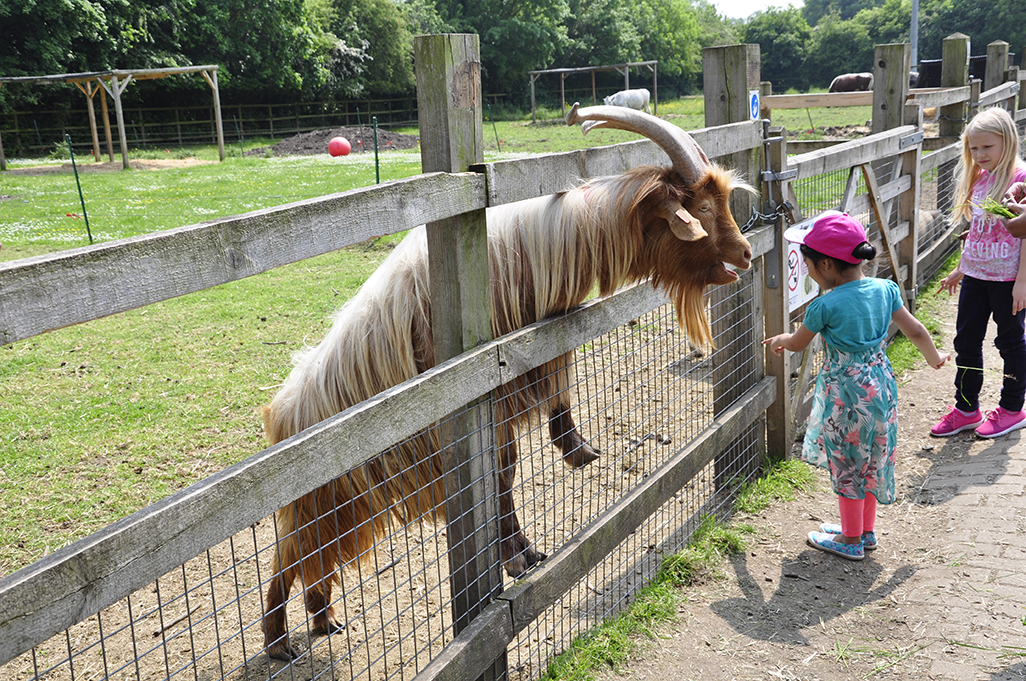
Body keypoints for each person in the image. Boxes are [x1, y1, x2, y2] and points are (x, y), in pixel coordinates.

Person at [764, 211, 950, 561]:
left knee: (849, 461)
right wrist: (934, 357)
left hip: (847, 394)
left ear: (825, 266)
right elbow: (915, 330)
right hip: (881, 387)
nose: (807, 270)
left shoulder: (824, 305)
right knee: (871, 457)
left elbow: (799, 342)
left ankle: (850, 541)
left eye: (808, 265)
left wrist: (782, 339)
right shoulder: (886, 290)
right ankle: (865, 532)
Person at [932, 108, 1026, 438]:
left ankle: (1013, 408)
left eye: (987, 147)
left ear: (1008, 142)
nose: (980, 154)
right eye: (974, 148)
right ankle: (966, 408)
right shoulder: (979, 178)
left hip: (1007, 279)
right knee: (966, 340)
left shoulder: (1020, 181)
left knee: (1010, 342)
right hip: (976, 275)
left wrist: (1022, 282)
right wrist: (961, 268)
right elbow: (978, 231)